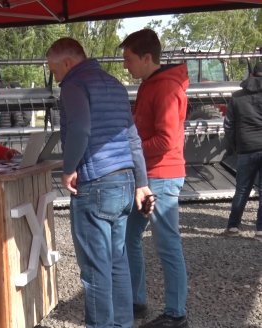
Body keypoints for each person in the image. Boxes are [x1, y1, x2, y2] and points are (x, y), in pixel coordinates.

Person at [46, 37, 153, 328]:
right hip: (124, 181)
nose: (54, 77)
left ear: (67, 63)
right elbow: (132, 137)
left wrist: (69, 168)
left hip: (94, 182)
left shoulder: (73, 84)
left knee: (95, 270)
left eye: (54, 70)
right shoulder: (114, 85)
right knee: (117, 261)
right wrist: (141, 182)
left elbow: (80, 127)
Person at [119, 29, 189, 328]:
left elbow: (166, 141)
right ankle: (136, 300)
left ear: (147, 57)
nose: (125, 65)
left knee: (167, 244)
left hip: (161, 175)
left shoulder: (164, 88)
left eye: (129, 59)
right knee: (128, 237)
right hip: (148, 175)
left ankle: (176, 314)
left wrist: (128, 150)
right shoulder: (152, 84)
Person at [223, 62, 262, 238]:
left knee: (242, 189)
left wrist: (234, 146)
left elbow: (229, 125)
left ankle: (233, 227)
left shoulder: (237, 96)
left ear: (252, 74)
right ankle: (260, 230)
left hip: (246, 148)